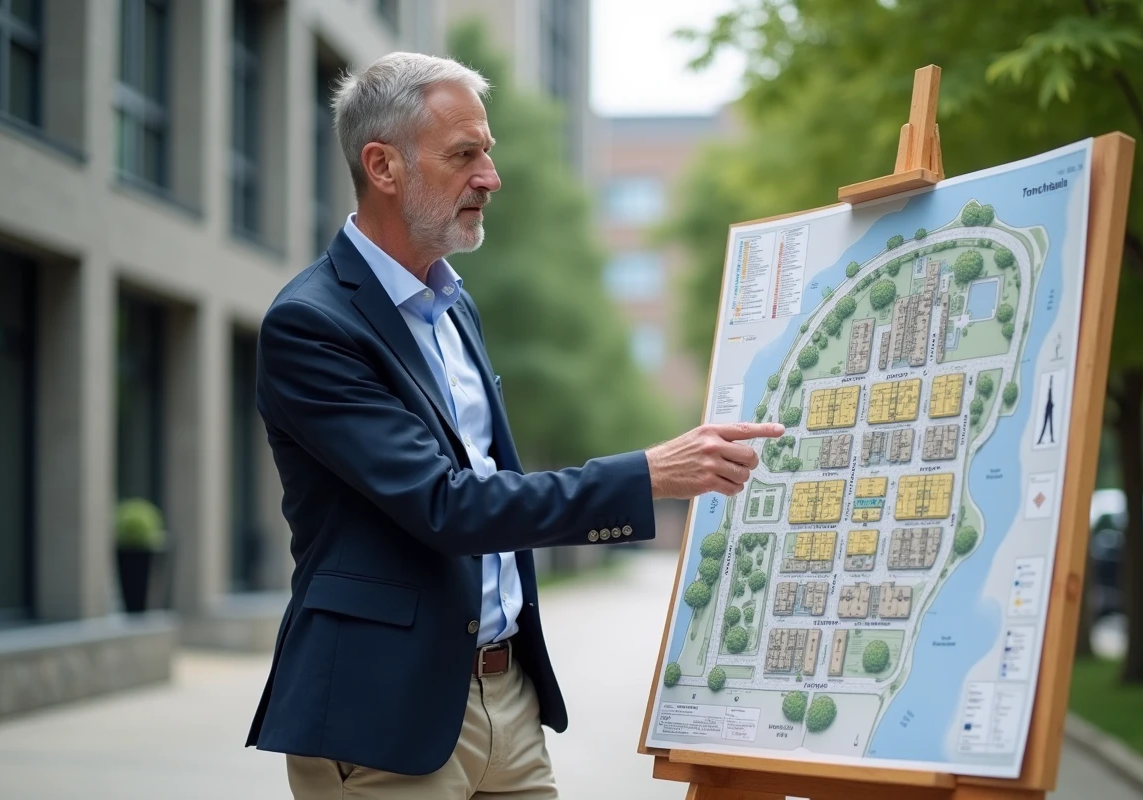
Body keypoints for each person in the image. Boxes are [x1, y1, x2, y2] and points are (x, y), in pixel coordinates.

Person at [244, 51, 782, 800]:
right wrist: (646, 475)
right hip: (384, 720)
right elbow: (447, 504)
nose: (490, 177)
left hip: (509, 700)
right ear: (383, 167)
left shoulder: (454, 305)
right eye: (464, 155)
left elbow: (498, 482)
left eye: (487, 153)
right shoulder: (311, 326)